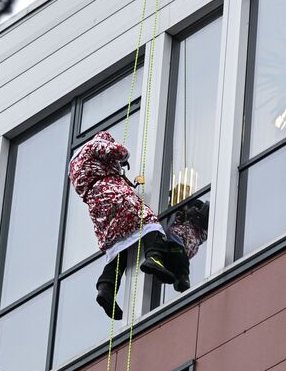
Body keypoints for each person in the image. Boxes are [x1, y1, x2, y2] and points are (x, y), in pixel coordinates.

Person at [68, 131, 209, 319]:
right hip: (113, 194)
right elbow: (118, 151)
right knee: (149, 221)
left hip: (96, 206)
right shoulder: (96, 146)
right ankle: (155, 257)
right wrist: (122, 157)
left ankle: (106, 287)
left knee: (120, 246)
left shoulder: (77, 167)